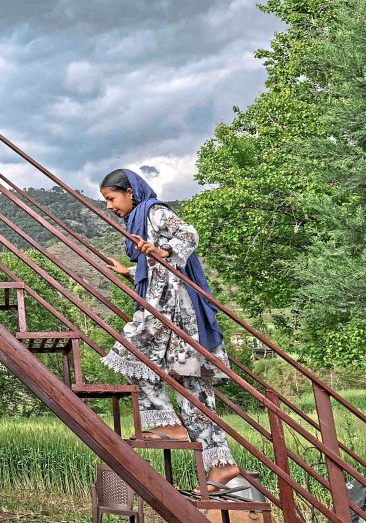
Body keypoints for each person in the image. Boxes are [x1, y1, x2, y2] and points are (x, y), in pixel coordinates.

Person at [99, 168, 251, 499]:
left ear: (130, 193)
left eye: (111, 199)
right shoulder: (139, 221)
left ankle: (167, 423)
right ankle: (221, 465)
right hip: (168, 311)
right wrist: (130, 271)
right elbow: (157, 271)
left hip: (177, 314)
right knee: (194, 391)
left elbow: (189, 235)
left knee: (132, 351)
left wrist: (164, 252)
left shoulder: (153, 211)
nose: (110, 207)